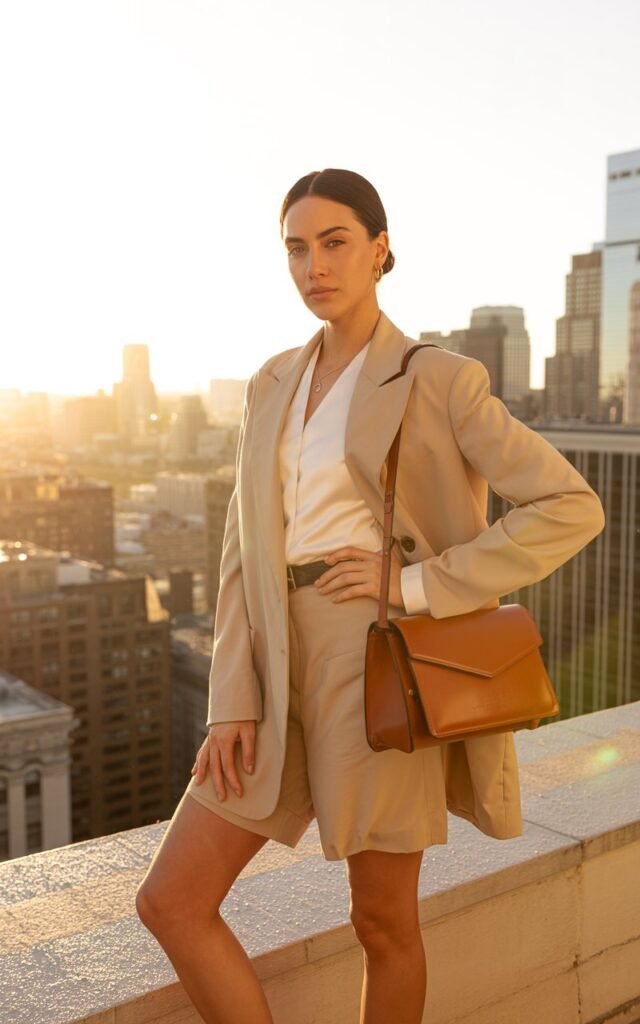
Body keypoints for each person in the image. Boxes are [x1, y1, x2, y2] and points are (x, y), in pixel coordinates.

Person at [135, 168, 606, 1024]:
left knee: (381, 920)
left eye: (335, 242)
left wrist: (419, 584)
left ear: (381, 249)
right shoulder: (270, 383)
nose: (314, 265)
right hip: (276, 663)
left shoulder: (439, 378)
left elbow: (572, 506)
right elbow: (243, 549)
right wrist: (230, 699)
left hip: (378, 657)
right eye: (297, 248)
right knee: (171, 901)